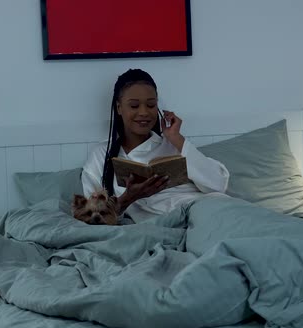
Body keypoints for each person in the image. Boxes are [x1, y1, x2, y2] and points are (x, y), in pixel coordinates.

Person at [82, 69, 230, 223]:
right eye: (134, 106)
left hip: (208, 209)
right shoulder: (102, 155)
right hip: (175, 223)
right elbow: (92, 217)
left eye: (151, 105)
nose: (144, 112)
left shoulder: (174, 145)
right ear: (119, 108)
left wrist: (175, 137)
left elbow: (218, 184)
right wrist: (129, 197)